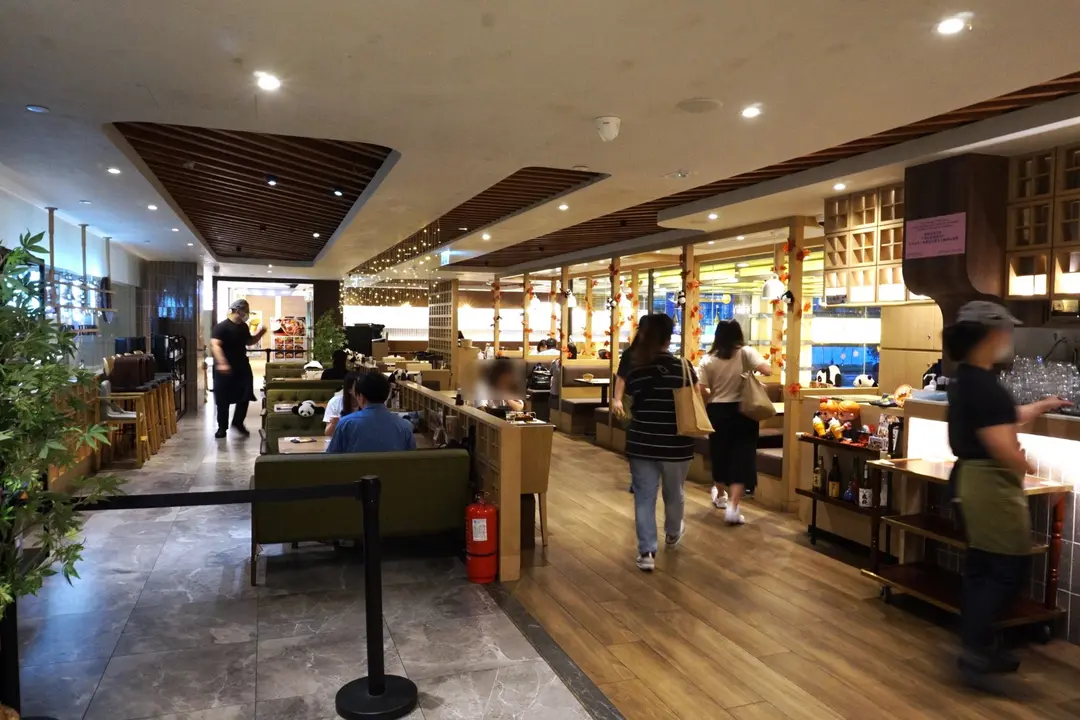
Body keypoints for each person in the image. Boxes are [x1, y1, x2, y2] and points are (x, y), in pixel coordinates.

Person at [943, 301, 1070, 688]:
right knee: (1007, 570)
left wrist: (1042, 406)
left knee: (983, 567)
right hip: (990, 486)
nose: (1009, 337)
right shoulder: (984, 386)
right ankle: (976, 653)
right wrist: (1033, 473)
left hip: (970, 481)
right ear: (989, 335)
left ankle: (979, 646)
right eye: (1005, 330)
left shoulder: (968, 378)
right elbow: (1001, 445)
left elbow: (1003, 417)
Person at [618, 313, 697, 571]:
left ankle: (647, 552)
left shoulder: (636, 369)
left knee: (644, 497)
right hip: (677, 444)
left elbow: (629, 402)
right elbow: (696, 399)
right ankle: (672, 532)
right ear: (669, 338)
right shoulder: (684, 367)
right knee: (674, 493)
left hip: (642, 442)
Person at [697, 320, 772, 525]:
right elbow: (768, 370)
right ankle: (733, 506)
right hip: (744, 411)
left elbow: (701, 389)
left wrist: (713, 397)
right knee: (743, 458)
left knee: (720, 455)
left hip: (717, 412)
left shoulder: (707, 359)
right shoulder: (746, 352)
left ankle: (721, 495)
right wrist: (749, 373)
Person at [210, 299, 266, 438]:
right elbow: (215, 345)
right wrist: (222, 362)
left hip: (242, 365)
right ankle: (222, 427)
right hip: (224, 368)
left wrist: (260, 334)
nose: (247, 313)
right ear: (237, 310)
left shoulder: (243, 327)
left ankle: (238, 422)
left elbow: (248, 341)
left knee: (245, 394)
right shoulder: (221, 327)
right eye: (245, 310)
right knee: (223, 398)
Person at [327, 371, 416, 453]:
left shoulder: (346, 424)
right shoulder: (405, 426)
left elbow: (332, 458)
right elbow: (411, 460)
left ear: (360, 397)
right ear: (387, 394)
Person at [323, 372, 359, 436]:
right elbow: (328, 434)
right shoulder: (335, 402)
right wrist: (334, 424)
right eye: (358, 387)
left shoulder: (369, 403)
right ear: (349, 390)